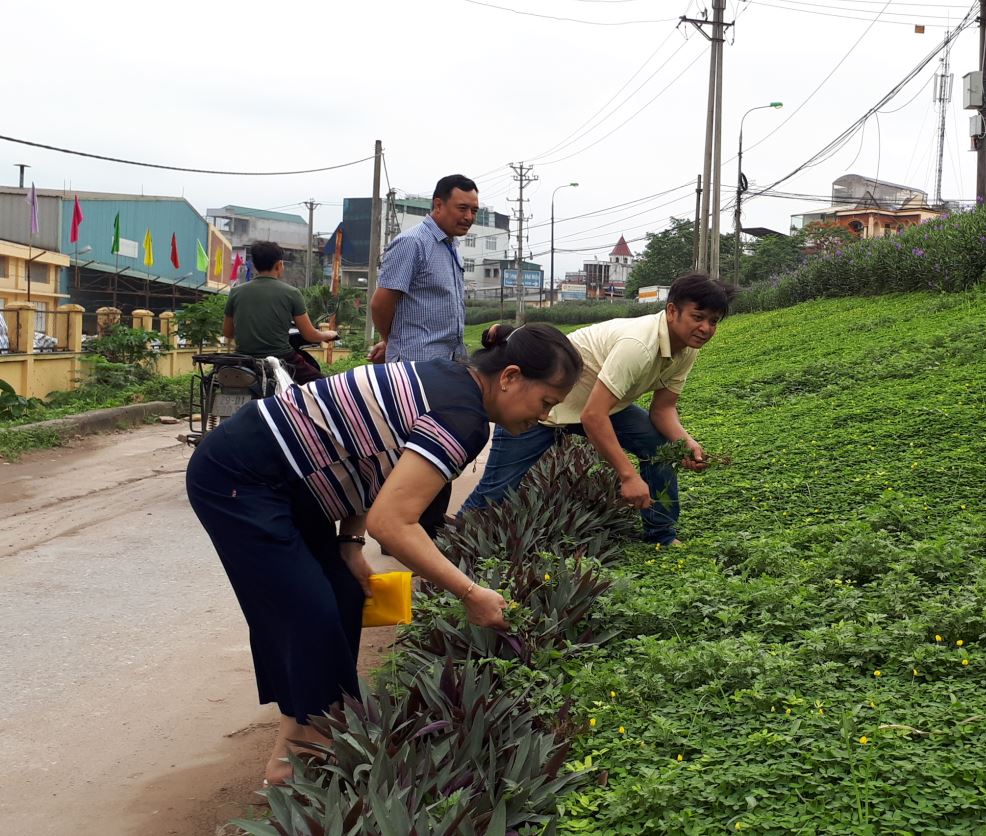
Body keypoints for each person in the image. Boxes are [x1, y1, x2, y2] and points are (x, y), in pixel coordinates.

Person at [185, 323, 581, 787]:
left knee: (343, 598)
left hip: (292, 486)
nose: (546, 417)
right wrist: (470, 593)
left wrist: (350, 545)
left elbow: (371, 455)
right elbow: (393, 525)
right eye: (546, 403)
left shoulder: (452, 383)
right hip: (240, 477)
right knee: (307, 611)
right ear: (510, 377)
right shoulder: (462, 416)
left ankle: (298, 747)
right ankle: (306, 753)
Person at [461, 273, 733, 545]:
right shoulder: (638, 345)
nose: (706, 328)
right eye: (698, 317)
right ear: (672, 311)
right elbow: (593, 416)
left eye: (713, 321)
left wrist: (685, 443)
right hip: (547, 408)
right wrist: (628, 476)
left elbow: (663, 409)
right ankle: (451, 540)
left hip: (601, 405)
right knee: (496, 489)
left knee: (660, 449)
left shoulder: (686, 350)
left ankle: (661, 535)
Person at [368, 174, 477, 537]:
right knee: (416, 452)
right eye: (462, 208)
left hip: (445, 366)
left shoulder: (448, 247)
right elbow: (382, 302)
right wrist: (392, 340)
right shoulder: (412, 243)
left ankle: (426, 526)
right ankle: (403, 532)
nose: (469, 216)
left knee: (441, 445)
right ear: (438, 205)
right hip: (417, 369)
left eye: (474, 210)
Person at [222, 241, 338, 384]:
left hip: (243, 359)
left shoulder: (235, 292)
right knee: (323, 386)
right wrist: (328, 334)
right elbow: (309, 335)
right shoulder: (292, 293)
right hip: (281, 358)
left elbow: (227, 332)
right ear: (279, 265)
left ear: (254, 264)